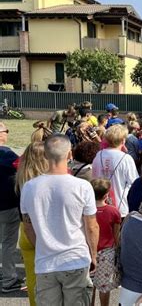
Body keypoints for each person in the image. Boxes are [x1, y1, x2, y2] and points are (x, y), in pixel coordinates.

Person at [20, 134, 99, 305]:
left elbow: (28, 227)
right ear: (70, 154)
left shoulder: (29, 187)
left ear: (46, 155)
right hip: (75, 259)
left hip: (45, 263)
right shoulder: (82, 186)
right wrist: (93, 255)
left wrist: (42, 246)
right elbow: (91, 226)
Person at [15, 142, 49, 304]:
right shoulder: (45, 183)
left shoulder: (20, 180)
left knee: (32, 277)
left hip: (25, 230)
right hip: (43, 230)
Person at [92, 124, 139, 217]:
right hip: (120, 206)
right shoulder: (126, 158)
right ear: (123, 140)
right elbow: (134, 182)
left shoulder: (98, 155)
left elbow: (94, 177)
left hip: (100, 204)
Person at [0, 121, 23, 293]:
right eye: (5, 131)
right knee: (8, 243)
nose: (6, 133)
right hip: (7, 205)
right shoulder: (6, 154)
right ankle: (9, 278)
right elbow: (23, 169)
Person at [91, 179, 121, 306]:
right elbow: (116, 235)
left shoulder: (86, 210)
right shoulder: (113, 211)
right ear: (106, 195)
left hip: (89, 250)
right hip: (107, 252)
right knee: (104, 285)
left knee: (89, 284)